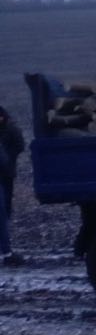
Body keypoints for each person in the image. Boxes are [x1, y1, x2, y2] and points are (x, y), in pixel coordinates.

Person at [0, 105, 26, 266]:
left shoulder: (11, 129)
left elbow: (19, 146)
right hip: (3, 174)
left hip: (6, 174)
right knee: (2, 214)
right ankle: (7, 251)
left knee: (5, 210)